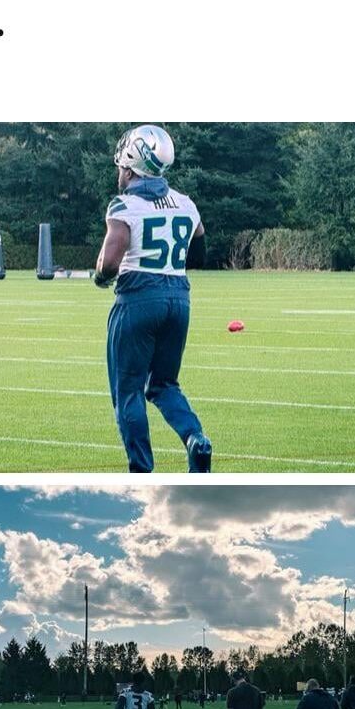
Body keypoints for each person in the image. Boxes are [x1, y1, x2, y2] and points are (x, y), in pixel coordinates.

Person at [94, 125, 212, 473]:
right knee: (164, 384)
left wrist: (99, 277)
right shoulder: (186, 204)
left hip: (138, 298)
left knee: (128, 391)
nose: (120, 173)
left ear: (131, 168)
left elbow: (109, 264)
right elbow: (198, 256)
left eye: (122, 167)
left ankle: (141, 470)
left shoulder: (124, 205)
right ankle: (195, 437)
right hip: (179, 299)